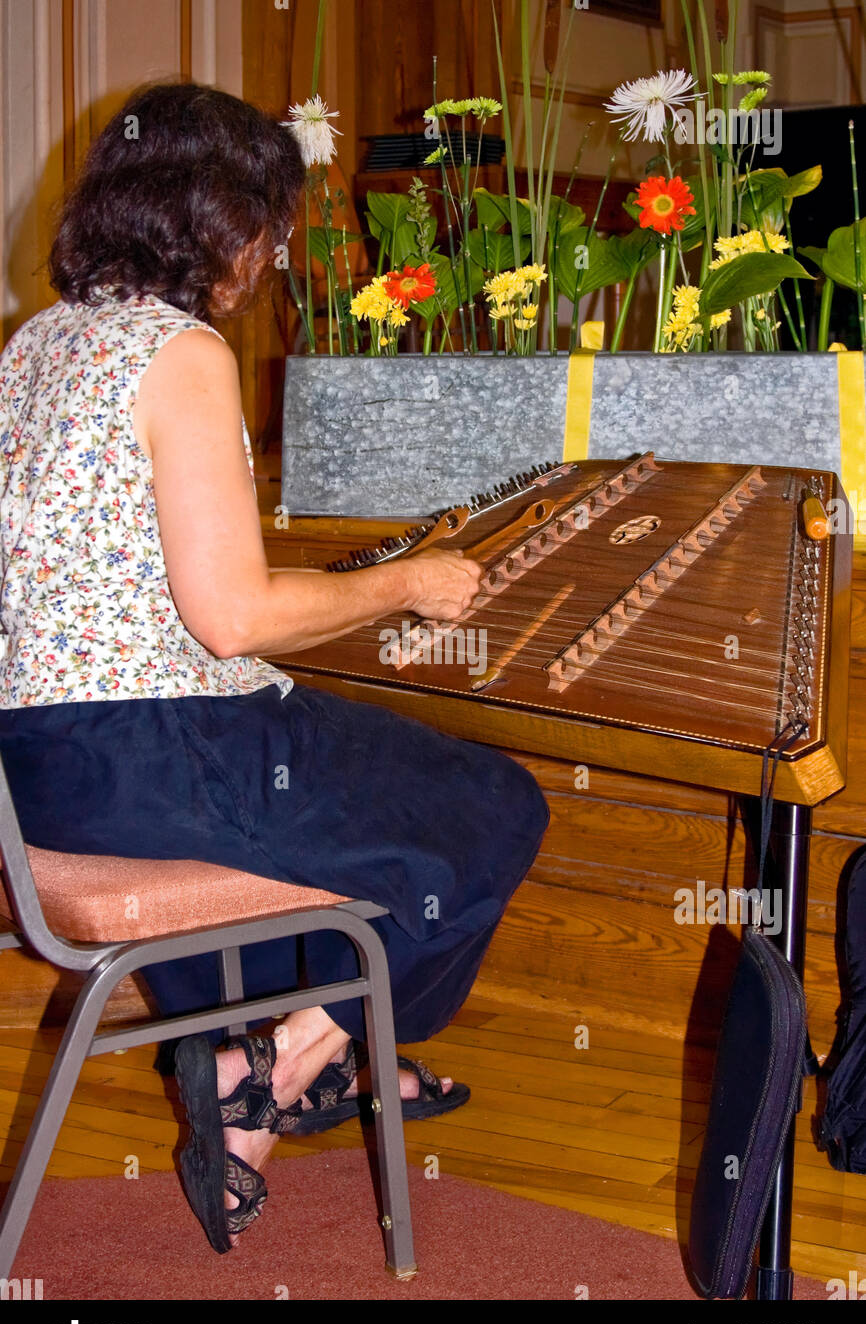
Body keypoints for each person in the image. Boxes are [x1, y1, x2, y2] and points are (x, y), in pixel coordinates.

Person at [0, 82, 549, 1253]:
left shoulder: (33, 346)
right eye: (270, 218)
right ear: (214, 217)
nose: (279, 248)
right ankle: (295, 1055)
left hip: (37, 770)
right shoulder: (180, 352)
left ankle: (282, 1077)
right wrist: (407, 582)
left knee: (339, 778)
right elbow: (236, 618)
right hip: (152, 752)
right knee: (492, 800)